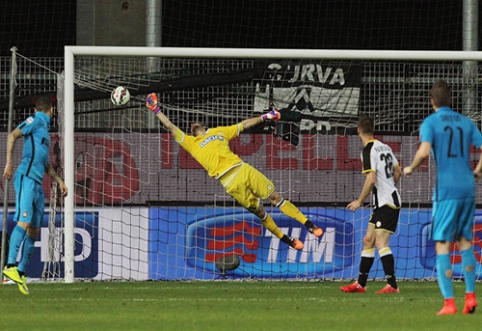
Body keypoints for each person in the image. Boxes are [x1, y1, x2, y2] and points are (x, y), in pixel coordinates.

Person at [145, 93, 323, 250]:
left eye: (195, 123)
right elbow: (170, 126)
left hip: (243, 169)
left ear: (203, 125)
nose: (193, 125)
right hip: (230, 183)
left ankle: (309, 225)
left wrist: (267, 116)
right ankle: (288, 240)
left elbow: (244, 124)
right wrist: (155, 109)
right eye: (191, 125)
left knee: (276, 198)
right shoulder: (190, 143)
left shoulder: (219, 131)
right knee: (261, 213)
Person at [404, 80, 482, 315]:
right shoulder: (467, 122)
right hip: (468, 187)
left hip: (447, 190)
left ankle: (449, 303)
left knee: (442, 244)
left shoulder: (431, 122)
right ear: (450, 101)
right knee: (465, 241)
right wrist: (477, 172)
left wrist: (411, 168)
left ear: (432, 102)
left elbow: (424, 150)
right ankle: (470, 297)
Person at [3, 96, 68, 295]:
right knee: (24, 220)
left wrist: (59, 181)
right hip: (26, 178)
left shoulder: (44, 132)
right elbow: (13, 135)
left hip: (38, 183)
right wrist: (9, 163)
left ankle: (21, 271)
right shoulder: (36, 120)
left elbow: (44, 163)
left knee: (34, 229)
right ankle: (9, 267)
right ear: (51, 111)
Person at [340, 114, 401, 294]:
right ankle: (361, 284)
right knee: (368, 239)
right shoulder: (385, 147)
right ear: (372, 130)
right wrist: (389, 186)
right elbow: (397, 171)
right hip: (386, 201)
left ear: (358, 130)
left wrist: (359, 201)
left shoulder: (368, 150)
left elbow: (371, 178)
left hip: (386, 203)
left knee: (381, 242)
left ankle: (393, 285)